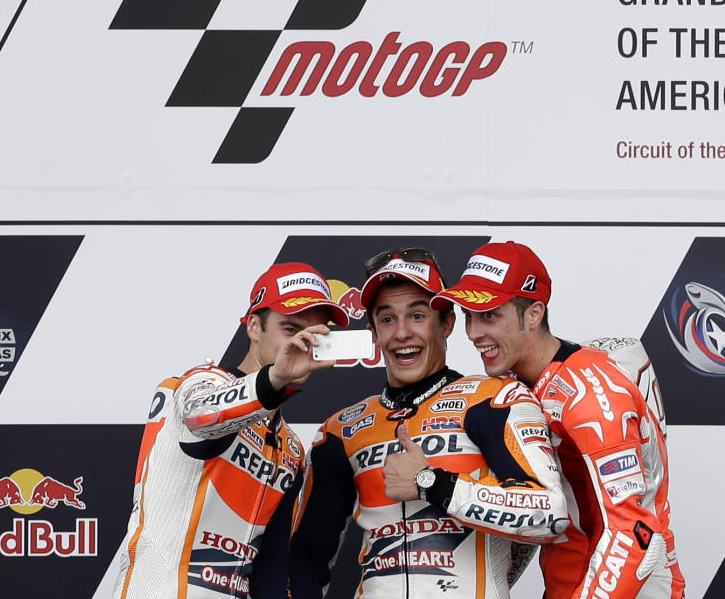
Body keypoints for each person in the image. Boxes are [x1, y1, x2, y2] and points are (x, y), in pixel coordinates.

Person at [289, 247, 568, 599]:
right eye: (387, 319)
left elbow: (551, 516)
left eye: (418, 316)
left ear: (447, 323)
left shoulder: (492, 400)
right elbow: (304, 562)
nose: (402, 333)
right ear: (374, 333)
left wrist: (432, 483)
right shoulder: (341, 430)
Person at [432, 241, 686, 599]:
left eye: (489, 315)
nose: (473, 332)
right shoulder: (516, 384)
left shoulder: (589, 393)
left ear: (534, 314)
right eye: (469, 316)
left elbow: (636, 535)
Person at [112, 263, 349, 599]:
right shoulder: (198, 383)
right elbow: (203, 421)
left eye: (316, 333)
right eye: (290, 328)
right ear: (254, 326)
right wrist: (275, 380)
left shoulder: (291, 447)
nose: (303, 343)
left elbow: (270, 570)